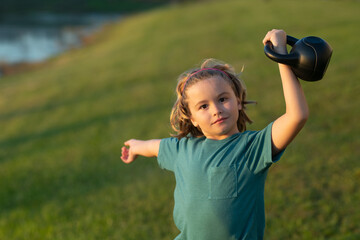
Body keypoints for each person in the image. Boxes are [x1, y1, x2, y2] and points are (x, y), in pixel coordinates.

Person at [120, 29, 309, 240]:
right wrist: (135, 147)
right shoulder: (183, 148)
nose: (216, 110)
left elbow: (297, 116)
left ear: (238, 101)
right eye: (203, 106)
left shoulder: (253, 148)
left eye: (222, 99)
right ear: (191, 118)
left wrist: (282, 55)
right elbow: (154, 147)